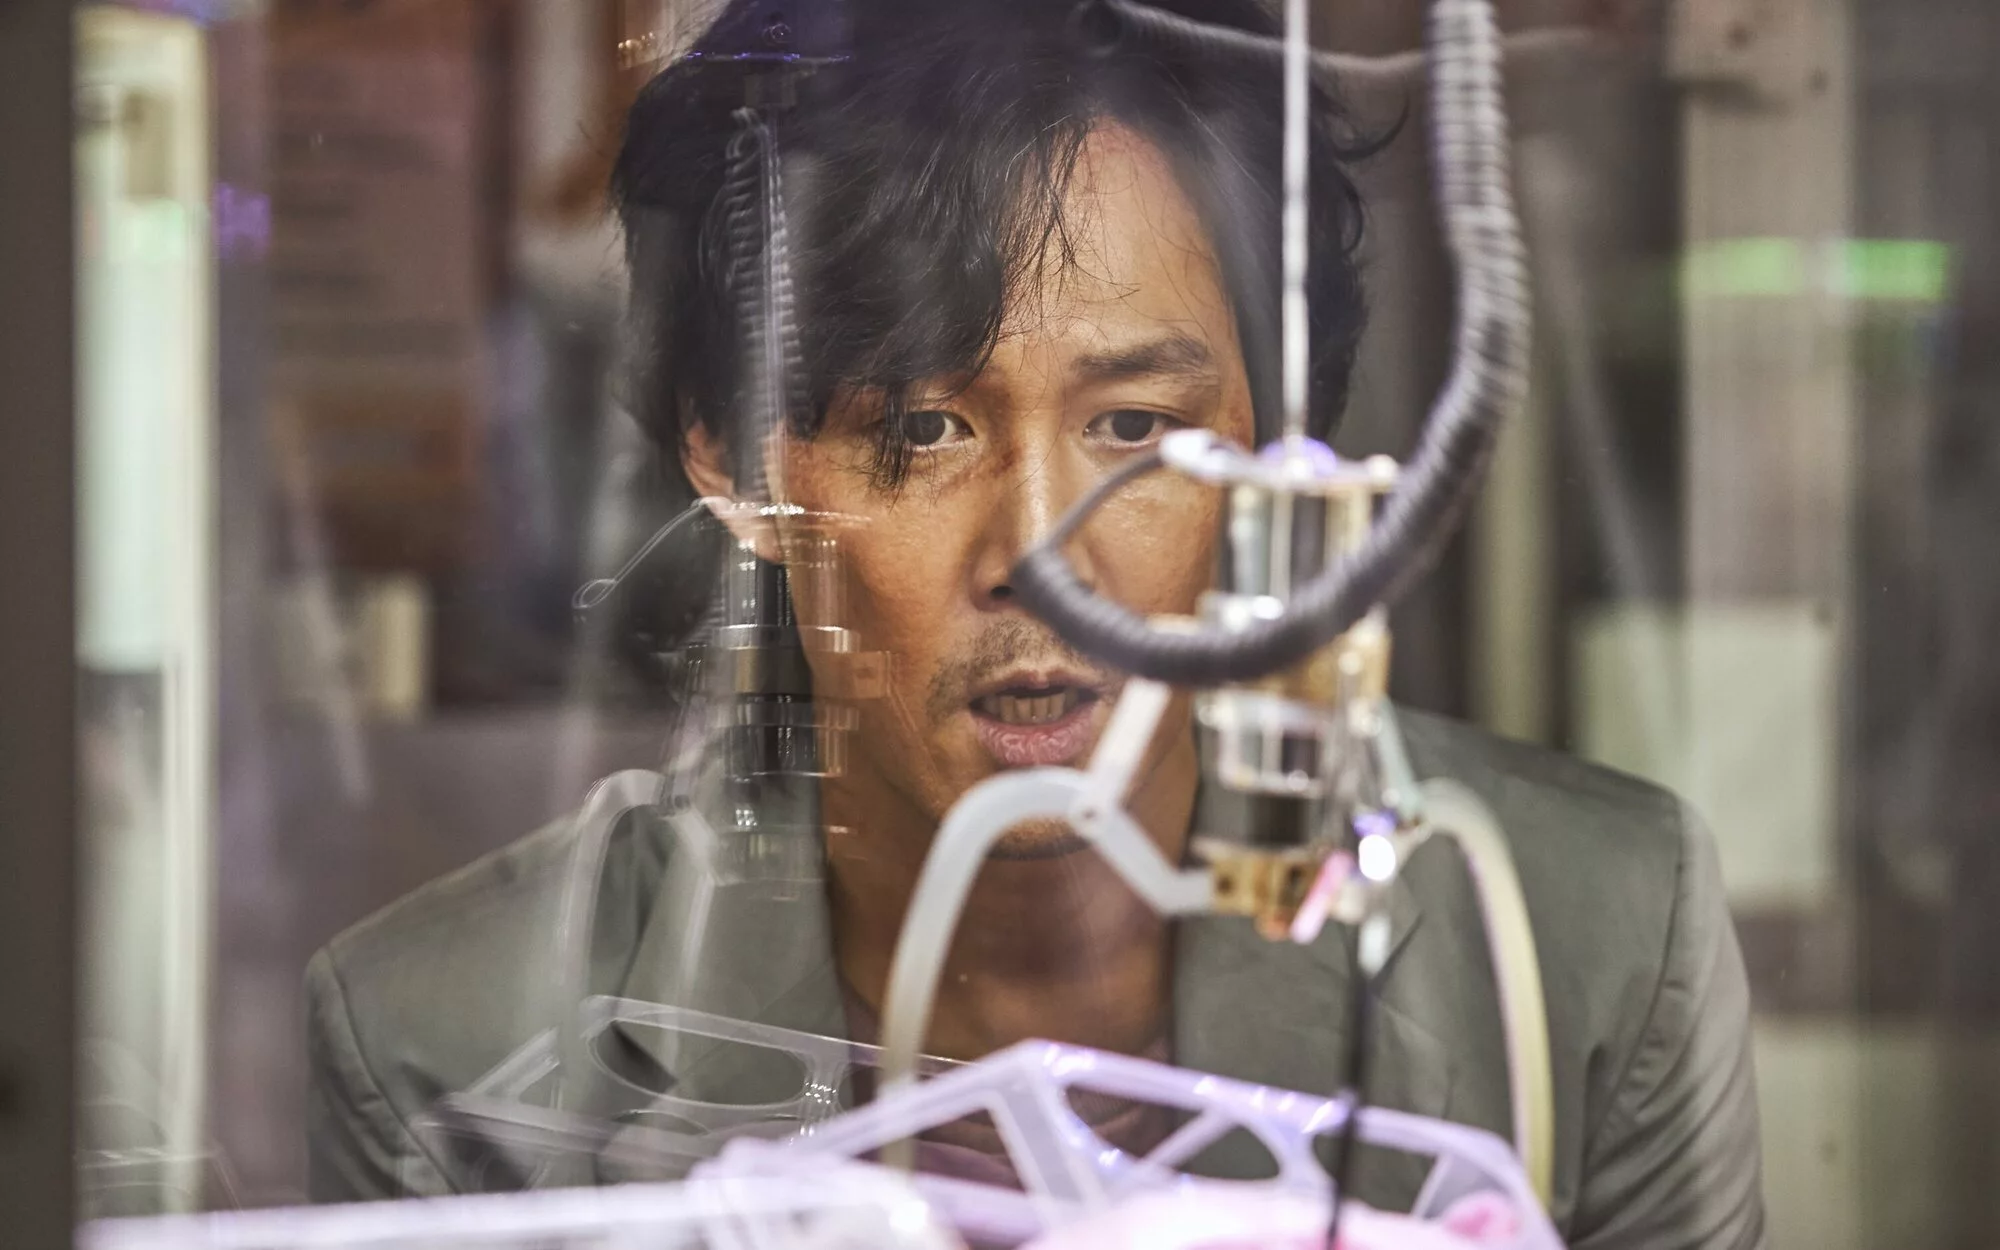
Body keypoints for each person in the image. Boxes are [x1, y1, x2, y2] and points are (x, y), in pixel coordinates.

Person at [305, 1, 1766, 1244]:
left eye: (1134, 427)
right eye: (923, 429)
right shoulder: (447, 1048)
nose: (1039, 560)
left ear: (1285, 445)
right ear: (733, 461)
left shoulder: (1584, 950)